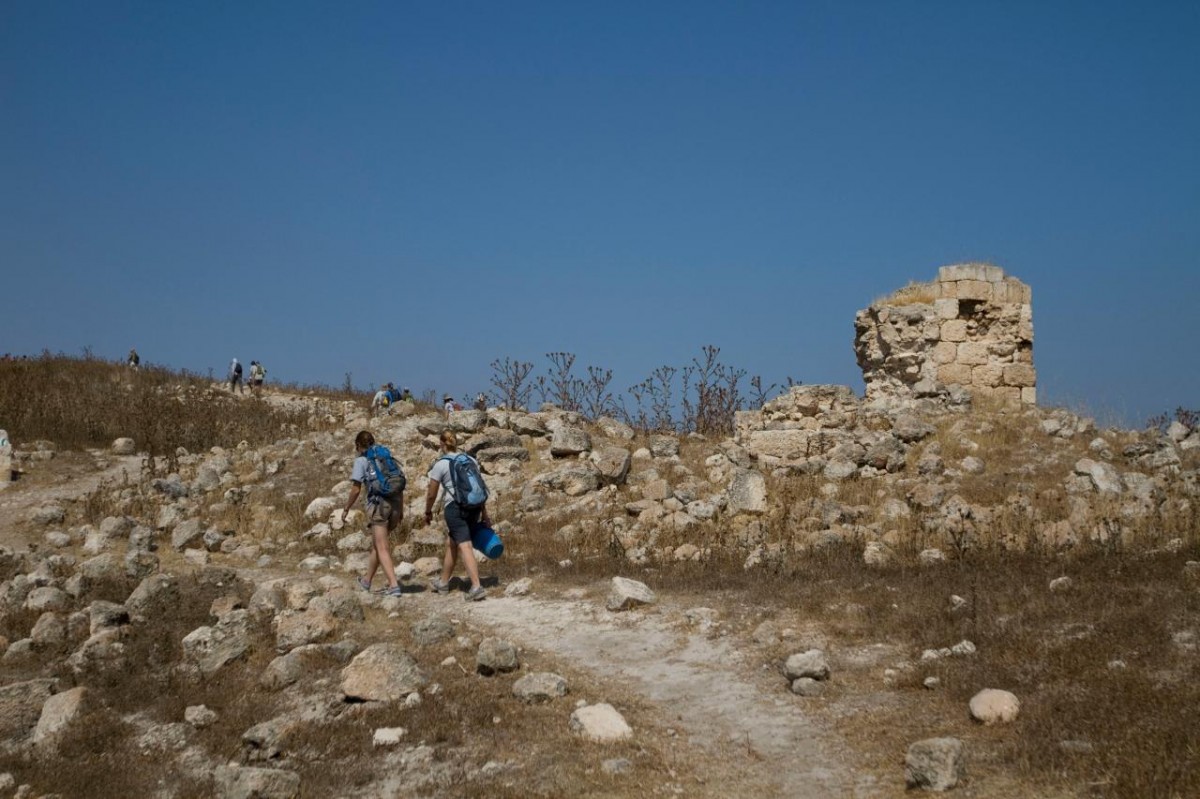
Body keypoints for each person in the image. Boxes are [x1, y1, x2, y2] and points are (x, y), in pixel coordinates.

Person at [425, 430, 489, 601]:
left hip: (455, 508)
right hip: (474, 506)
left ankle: (476, 586)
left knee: (465, 545)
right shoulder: (470, 460)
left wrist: (428, 511)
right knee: (452, 543)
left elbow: (432, 493)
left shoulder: (440, 464)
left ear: (442, 444)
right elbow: (479, 487)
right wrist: (485, 514)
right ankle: (444, 583)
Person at [340, 431, 404, 596]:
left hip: (379, 506)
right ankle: (367, 581)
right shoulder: (385, 456)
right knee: (378, 544)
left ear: (358, 445)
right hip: (395, 504)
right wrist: (401, 508)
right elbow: (397, 481)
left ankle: (393, 585)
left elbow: (356, 489)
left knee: (382, 546)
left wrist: (347, 508)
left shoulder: (362, 460)